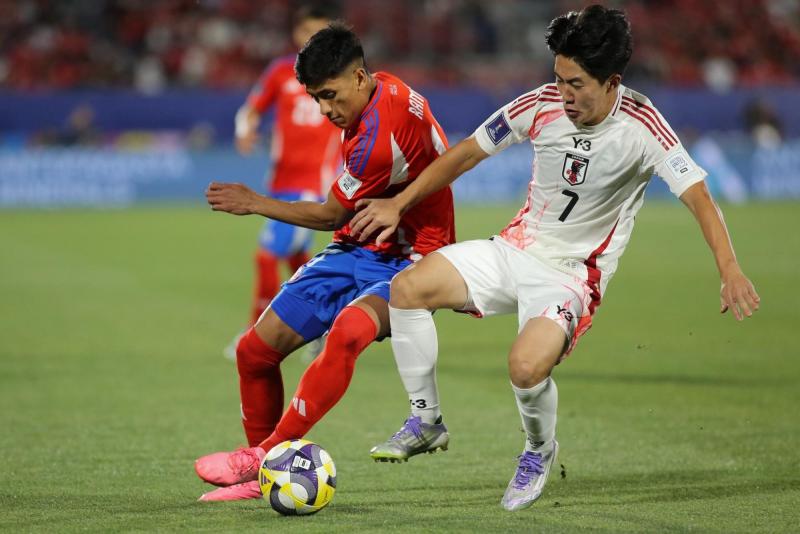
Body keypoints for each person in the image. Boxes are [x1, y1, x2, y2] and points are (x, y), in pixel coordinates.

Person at [350, 5, 760, 512]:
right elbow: (467, 153)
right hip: (514, 249)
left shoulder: (644, 126)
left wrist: (729, 268)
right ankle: (426, 421)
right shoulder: (540, 104)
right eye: (559, 78)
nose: (564, 93)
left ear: (612, 82)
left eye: (576, 83)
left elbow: (698, 195)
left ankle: (538, 450)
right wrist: (399, 203)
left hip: (570, 276)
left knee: (525, 367)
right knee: (408, 288)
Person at [195, 22, 455, 502]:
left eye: (330, 96)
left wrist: (255, 202)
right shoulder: (381, 89)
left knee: (348, 333)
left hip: (412, 257)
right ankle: (263, 479)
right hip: (358, 245)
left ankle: (261, 458)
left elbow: (330, 214)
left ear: (358, 77)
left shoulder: (379, 135)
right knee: (254, 353)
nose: (324, 110)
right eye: (315, 98)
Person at [224, 5, 341, 360]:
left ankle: (255, 333)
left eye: (320, 32)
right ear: (297, 33)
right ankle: (322, 325)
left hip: (315, 184)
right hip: (280, 181)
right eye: (307, 31)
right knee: (295, 255)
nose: (312, 38)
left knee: (266, 256)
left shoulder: (342, 74)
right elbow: (250, 109)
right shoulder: (280, 72)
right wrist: (244, 130)